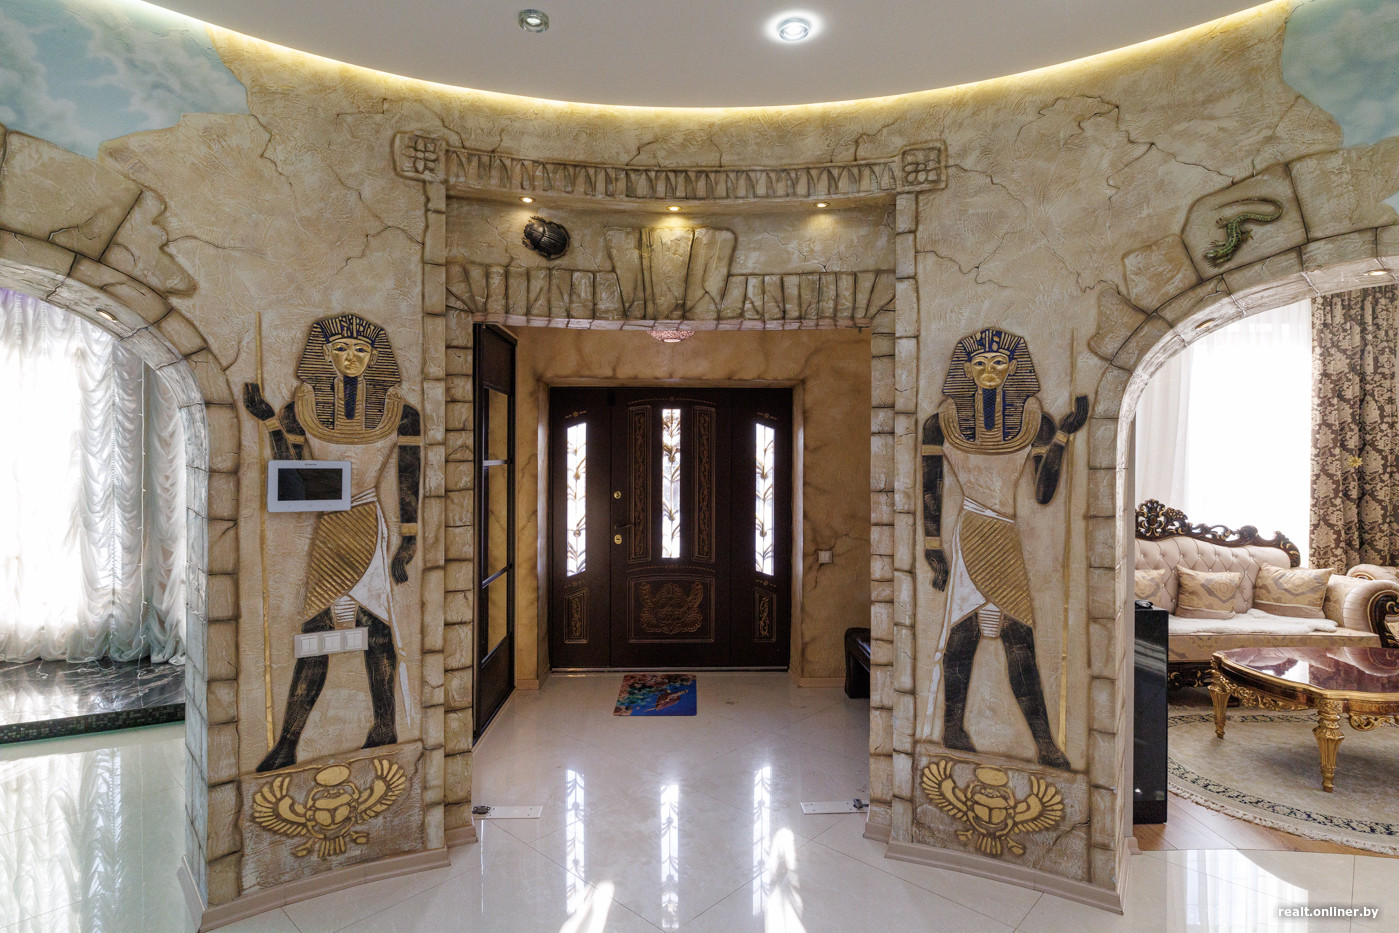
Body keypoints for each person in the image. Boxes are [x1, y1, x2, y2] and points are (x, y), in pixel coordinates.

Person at [243, 312, 420, 773]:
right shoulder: (298, 409)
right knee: (316, 629)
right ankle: (288, 743)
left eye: (361, 350)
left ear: (375, 358)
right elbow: (294, 473)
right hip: (329, 527)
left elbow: (409, 476)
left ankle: (384, 727)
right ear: (324, 355)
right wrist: (269, 421)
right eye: (341, 349)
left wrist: (408, 539)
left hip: (367, 521)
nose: (351, 358)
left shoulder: (402, 413)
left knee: (376, 625)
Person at [920, 327, 1087, 769]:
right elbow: (931, 488)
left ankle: (1044, 743)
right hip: (970, 531)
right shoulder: (939, 423)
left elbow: (1043, 494)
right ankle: (953, 728)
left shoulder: (1037, 423)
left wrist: (1063, 437)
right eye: (980, 364)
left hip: (1005, 536)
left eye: (998, 363)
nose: (989, 371)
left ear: (1013, 368)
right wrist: (933, 547)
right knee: (963, 632)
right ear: (966, 370)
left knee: (1019, 636)